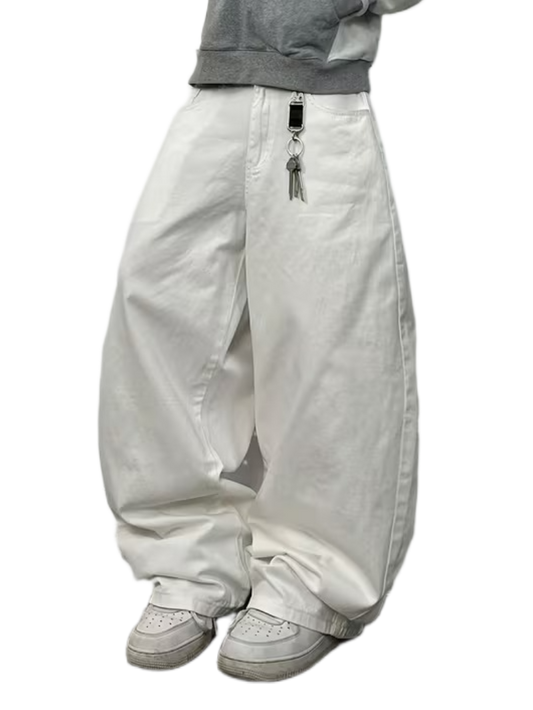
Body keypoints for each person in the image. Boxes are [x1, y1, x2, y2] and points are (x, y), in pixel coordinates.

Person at [95, 0, 426, 682]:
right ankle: (186, 563)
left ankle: (314, 579)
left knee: (324, 341)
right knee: (161, 315)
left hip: (320, 98)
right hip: (213, 82)